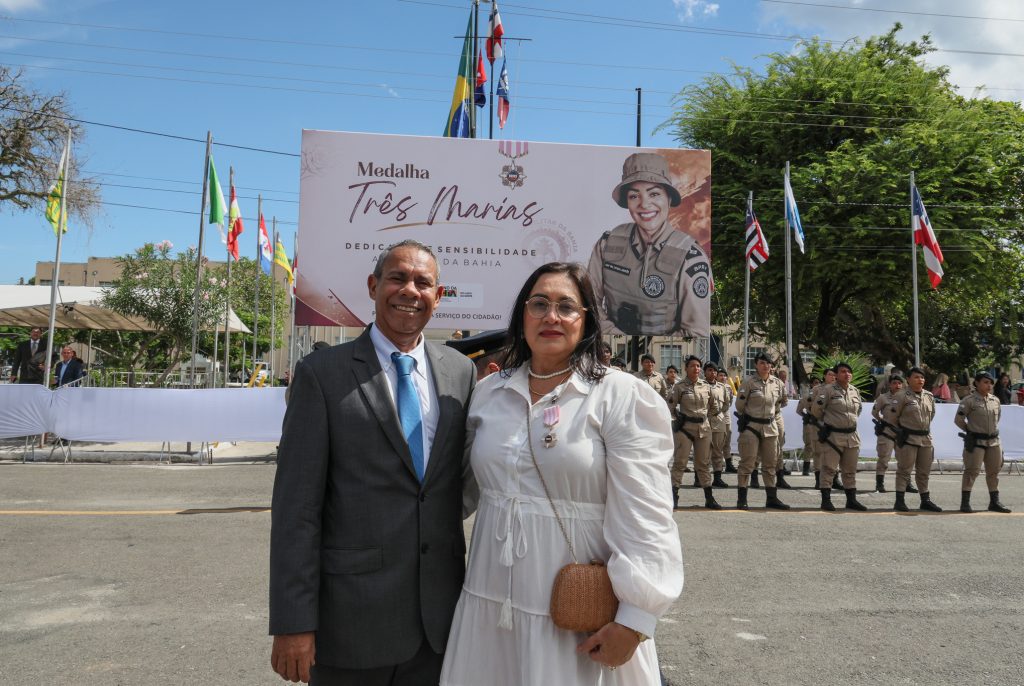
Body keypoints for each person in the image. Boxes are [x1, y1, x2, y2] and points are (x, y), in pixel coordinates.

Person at [440, 262, 683, 685]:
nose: (551, 316)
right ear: (522, 316)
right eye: (539, 304)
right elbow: (456, 493)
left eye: (566, 306)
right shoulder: (488, 395)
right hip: (489, 603)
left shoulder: (619, 396)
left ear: (586, 320)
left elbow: (647, 517)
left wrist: (636, 619)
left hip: (579, 616)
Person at [269, 240, 477, 685]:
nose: (409, 290)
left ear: (438, 297)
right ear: (373, 285)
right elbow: (296, 511)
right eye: (397, 277)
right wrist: (293, 623)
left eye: (423, 282)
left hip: (440, 627)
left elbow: (457, 486)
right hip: (350, 626)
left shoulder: (462, 374)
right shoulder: (322, 375)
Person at [587, 152, 711, 337]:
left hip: (661, 358)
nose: (644, 204)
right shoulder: (607, 244)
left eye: (654, 194)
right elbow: (589, 302)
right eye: (634, 196)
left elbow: (696, 332)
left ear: (669, 199)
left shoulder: (690, 258)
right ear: (627, 203)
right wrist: (614, 336)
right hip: (610, 349)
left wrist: (650, 346)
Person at [734, 352, 790, 510]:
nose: (766, 366)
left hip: (770, 427)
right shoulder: (749, 382)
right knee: (747, 463)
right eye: (762, 363)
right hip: (752, 427)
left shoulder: (778, 383)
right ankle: (742, 499)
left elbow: (781, 402)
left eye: (768, 363)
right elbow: (740, 406)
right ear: (756, 365)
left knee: (770, 464)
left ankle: (771, 498)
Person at [809, 362, 867, 512]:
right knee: (829, 468)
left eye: (849, 371)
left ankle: (851, 500)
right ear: (836, 375)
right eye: (843, 371)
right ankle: (826, 500)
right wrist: (829, 423)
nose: (847, 374)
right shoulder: (828, 390)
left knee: (850, 470)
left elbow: (858, 410)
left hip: (852, 435)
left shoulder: (855, 391)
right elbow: (816, 411)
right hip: (833, 435)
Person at [668, 355, 721, 510]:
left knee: (703, 464)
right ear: (686, 368)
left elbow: (714, 407)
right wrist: (676, 422)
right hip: (685, 429)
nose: (696, 368)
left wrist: (705, 419)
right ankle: (673, 496)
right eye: (692, 366)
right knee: (680, 463)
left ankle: (709, 498)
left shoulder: (706, 387)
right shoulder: (679, 387)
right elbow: (670, 408)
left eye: (698, 366)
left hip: (703, 429)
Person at [955, 372, 1012, 513]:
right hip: (976, 441)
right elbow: (959, 420)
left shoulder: (995, 400)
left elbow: (997, 420)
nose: (989, 385)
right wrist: (971, 431)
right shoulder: (968, 401)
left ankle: (994, 502)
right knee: (972, 471)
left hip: (993, 441)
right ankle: (965, 503)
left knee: (994, 472)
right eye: (986, 382)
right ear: (977, 383)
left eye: (991, 383)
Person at [892, 367, 941, 512]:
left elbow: (931, 416)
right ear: (908, 379)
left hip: (925, 438)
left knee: (924, 471)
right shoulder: (901, 396)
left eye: (922, 378)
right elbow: (892, 418)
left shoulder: (929, 396)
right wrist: (900, 434)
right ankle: (899, 501)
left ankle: (925, 500)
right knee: (904, 470)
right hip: (908, 438)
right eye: (916, 377)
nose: (920, 380)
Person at [870, 374, 903, 493]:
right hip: (887, 432)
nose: (897, 385)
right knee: (884, 458)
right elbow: (874, 412)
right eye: (894, 383)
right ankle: (880, 484)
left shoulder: (907, 398)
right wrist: (882, 421)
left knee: (905, 460)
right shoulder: (883, 398)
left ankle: (907, 484)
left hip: (902, 433)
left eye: (899, 383)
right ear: (890, 384)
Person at [704, 362, 730, 488]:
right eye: (709, 370)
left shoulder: (722, 387)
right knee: (703, 451)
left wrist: (718, 413)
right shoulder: (700, 385)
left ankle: (717, 477)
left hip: (718, 420)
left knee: (718, 450)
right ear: (705, 372)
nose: (712, 373)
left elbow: (726, 404)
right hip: (704, 420)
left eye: (714, 371)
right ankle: (700, 477)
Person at [796, 376, 820, 481]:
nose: (817, 384)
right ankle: (806, 468)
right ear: (811, 384)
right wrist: (805, 416)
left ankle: (819, 469)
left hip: (820, 423)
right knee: (809, 446)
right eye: (815, 382)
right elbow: (799, 410)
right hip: (810, 423)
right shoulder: (807, 397)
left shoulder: (823, 395)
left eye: (819, 382)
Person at [717, 368, 737, 473]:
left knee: (727, 440)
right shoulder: (713, 386)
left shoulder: (729, 387)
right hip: (715, 415)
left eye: (724, 376)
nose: (723, 378)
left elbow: (730, 402)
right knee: (717, 441)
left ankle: (729, 464)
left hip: (726, 415)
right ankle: (717, 465)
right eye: (720, 375)